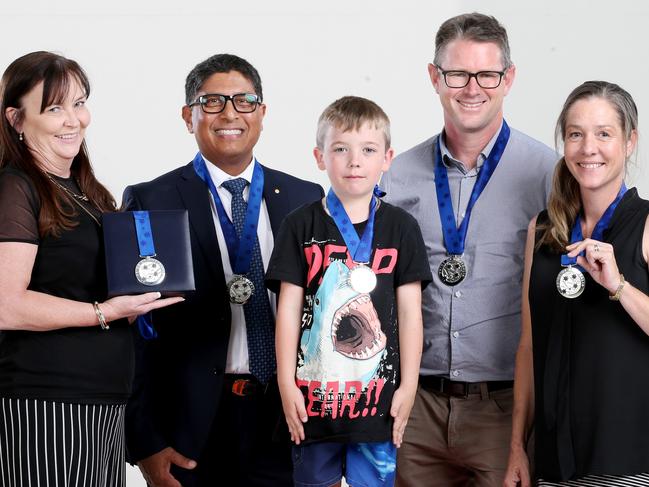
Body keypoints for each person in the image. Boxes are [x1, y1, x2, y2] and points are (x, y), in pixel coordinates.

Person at [122, 53, 323, 487]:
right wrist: (144, 442)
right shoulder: (151, 200)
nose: (229, 113)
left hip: (288, 420)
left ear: (262, 113)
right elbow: (134, 333)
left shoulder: (307, 198)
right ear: (187, 115)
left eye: (244, 101)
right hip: (193, 428)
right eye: (211, 101)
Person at [380, 13, 558, 486]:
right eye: (457, 74)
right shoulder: (396, 176)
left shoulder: (549, 176)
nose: (471, 88)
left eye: (487, 74)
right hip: (415, 408)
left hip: (505, 410)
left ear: (509, 79)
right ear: (435, 78)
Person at [0, 51, 182, 487]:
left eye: (79, 103)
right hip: (45, 404)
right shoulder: (15, 188)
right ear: (17, 119)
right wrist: (105, 312)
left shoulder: (86, 192)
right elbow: (6, 305)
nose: (73, 120)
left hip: (99, 403)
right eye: (55, 107)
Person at [266, 96, 431, 487]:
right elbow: (287, 311)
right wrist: (286, 383)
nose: (354, 161)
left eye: (368, 150)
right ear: (320, 157)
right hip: (312, 407)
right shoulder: (298, 225)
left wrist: (409, 385)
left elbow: (410, 315)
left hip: (378, 410)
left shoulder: (402, 228)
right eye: (340, 149)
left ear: (387, 158)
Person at [504, 81, 649, 486]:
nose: (589, 148)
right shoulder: (544, 231)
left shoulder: (646, 225)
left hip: (629, 460)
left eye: (604, 133)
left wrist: (618, 285)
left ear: (629, 141)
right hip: (555, 460)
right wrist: (518, 446)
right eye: (575, 134)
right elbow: (529, 347)